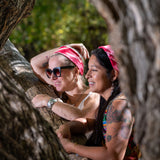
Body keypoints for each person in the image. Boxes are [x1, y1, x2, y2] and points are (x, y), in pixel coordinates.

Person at [57, 45, 139, 160]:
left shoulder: (120, 105)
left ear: (114, 74)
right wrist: (67, 127)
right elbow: (89, 123)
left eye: (94, 70)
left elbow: (112, 156)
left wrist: (71, 147)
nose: (87, 75)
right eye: (88, 70)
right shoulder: (107, 99)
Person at [30, 44, 100, 120]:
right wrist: (67, 48)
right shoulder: (59, 85)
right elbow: (34, 63)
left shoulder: (94, 95)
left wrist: (48, 101)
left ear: (75, 71)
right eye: (50, 72)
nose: (52, 77)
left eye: (57, 71)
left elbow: (81, 118)